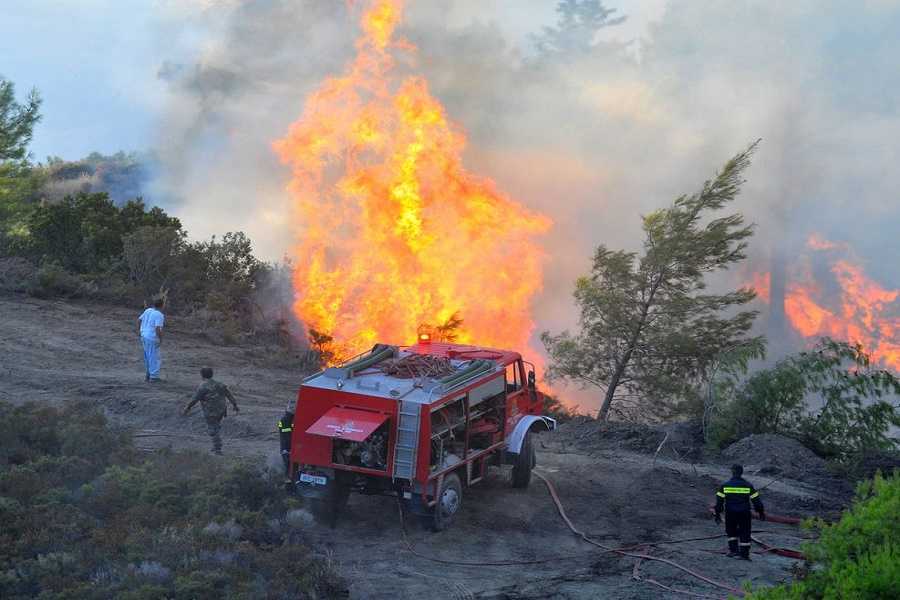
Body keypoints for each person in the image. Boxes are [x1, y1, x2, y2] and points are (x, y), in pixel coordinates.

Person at [183, 367, 240, 455]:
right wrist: (235, 405)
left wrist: (187, 408)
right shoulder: (220, 384)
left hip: (210, 411)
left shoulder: (203, 387)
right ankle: (215, 445)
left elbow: (195, 399)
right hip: (221, 410)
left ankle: (218, 449)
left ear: (202, 375)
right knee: (216, 426)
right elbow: (229, 395)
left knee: (213, 429)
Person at [714, 464, 765, 560]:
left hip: (730, 513)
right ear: (742, 472)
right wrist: (761, 512)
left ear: (732, 472)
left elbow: (719, 502)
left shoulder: (725, 486)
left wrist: (717, 515)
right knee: (745, 532)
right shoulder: (748, 486)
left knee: (731, 531)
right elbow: (757, 501)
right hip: (744, 513)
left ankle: (733, 551)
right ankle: (744, 554)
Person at [138, 299, 165, 382]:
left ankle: (148, 374)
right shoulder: (159, 315)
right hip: (151, 337)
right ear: (162, 305)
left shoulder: (148, 310)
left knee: (147, 356)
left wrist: (141, 330)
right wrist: (161, 339)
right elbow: (157, 328)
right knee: (154, 357)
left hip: (144, 335)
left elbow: (139, 320)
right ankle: (154, 376)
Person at [278, 410, 294, 480]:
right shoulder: (286, 421)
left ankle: (287, 476)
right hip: (286, 447)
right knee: (287, 463)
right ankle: (287, 476)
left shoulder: (285, 420)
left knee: (288, 463)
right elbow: (286, 435)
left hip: (286, 447)